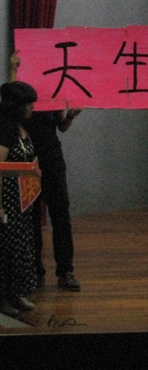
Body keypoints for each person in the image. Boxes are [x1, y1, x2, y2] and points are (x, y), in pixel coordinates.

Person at [9, 50, 82, 291]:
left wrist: (71, 115)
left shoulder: (54, 88)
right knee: (30, 216)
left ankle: (65, 271)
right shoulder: (23, 91)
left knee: (61, 214)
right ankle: (35, 270)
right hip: (27, 159)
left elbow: (62, 127)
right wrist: (13, 68)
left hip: (52, 158)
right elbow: (10, 102)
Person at [0, 81, 40, 316]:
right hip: (8, 200)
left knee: (19, 248)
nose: (32, 107)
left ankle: (15, 293)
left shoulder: (20, 128)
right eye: (28, 103)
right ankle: (2, 298)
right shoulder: (5, 131)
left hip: (22, 200)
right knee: (5, 251)